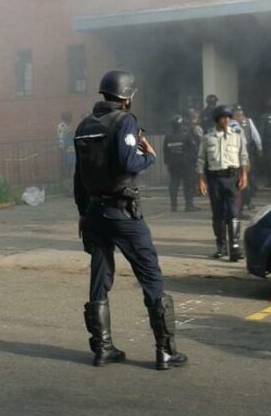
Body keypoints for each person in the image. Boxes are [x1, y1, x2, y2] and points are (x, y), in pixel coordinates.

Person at [73, 70, 187, 371]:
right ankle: (165, 352)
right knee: (151, 277)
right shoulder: (125, 121)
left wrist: (83, 213)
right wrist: (148, 156)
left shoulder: (85, 125)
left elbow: (78, 178)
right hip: (123, 213)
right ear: (127, 97)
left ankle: (103, 349)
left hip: (95, 213)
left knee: (99, 280)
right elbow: (127, 162)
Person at [197, 105, 249, 261]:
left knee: (233, 213)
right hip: (214, 179)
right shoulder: (208, 138)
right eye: (223, 117)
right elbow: (201, 160)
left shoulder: (237, 136)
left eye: (228, 117)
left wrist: (244, 175)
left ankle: (235, 248)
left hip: (231, 178)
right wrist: (201, 180)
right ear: (217, 120)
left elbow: (244, 158)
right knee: (218, 213)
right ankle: (221, 247)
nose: (226, 120)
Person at [162, 115, 199, 212]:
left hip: (173, 164)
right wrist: (193, 162)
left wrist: (168, 162)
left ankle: (173, 206)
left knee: (173, 184)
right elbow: (193, 150)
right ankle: (189, 205)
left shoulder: (168, 137)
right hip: (186, 165)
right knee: (188, 184)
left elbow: (166, 152)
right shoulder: (187, 136)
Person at [233, 106, 262, 211]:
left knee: (242, 178)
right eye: (240, 115)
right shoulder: (241, 125)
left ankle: (243, 202)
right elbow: (255, 137)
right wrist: (259, 148)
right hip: (243, 153)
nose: (243, 117)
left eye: (242, 114)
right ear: (236, 116)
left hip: (237, 155)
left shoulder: (227, 124)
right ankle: (245, 202)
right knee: (244, 178)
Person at [57, 112, 75, 180]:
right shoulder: (61, 126)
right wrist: (62, 147)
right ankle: (66, 177)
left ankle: (69, 176)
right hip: (65, 147)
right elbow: (61, 137)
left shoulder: (67, 125)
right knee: (66, 163)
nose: (70, 119)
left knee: (70, 162)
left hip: (70, 147)